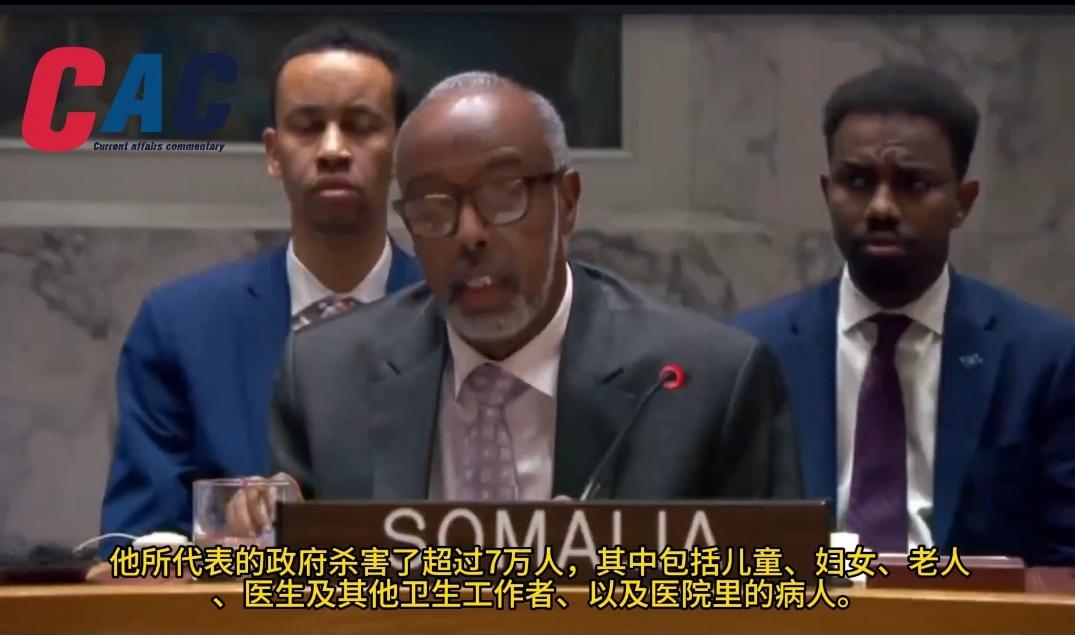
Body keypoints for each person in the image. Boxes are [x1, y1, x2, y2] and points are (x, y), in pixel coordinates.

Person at [226, 71, 802, 535]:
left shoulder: (706, 383)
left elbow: (774, 594)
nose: (470, 234)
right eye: (432, 206)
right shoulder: (326, 376)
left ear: (567, 203)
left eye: (505, 195)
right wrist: (258, 533)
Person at [730, 65, 1075, 565]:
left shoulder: (1044, 360)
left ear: (963, 201)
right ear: (827, 191)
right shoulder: (752, 354)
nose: (882, 207)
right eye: (857, 181)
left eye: (913, 184)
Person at [98, 26, 424, 551]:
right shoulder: (181, 326)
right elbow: (133, 548)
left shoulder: (454, 316)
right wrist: (223, 542)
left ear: (402, 152)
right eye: (308, 127)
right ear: (274, 153)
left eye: (360, 127)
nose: (333, 150)